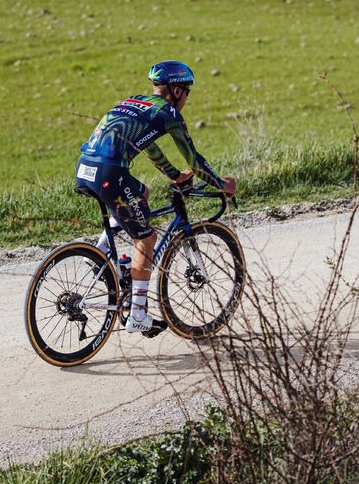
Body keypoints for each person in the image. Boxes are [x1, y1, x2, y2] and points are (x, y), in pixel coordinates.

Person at [74, 60, 237, 334]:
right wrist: (221, 184)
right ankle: (137, 313)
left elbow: (147, 147)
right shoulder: (169, 113)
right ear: (176, 90)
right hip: (109, 172)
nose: (187, 98)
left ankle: (100, 254)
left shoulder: (137, 101)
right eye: (187, 91)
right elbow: (195, 161)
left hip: (85, 168)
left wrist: (174, 174)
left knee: (142, 194)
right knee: (146, 238)